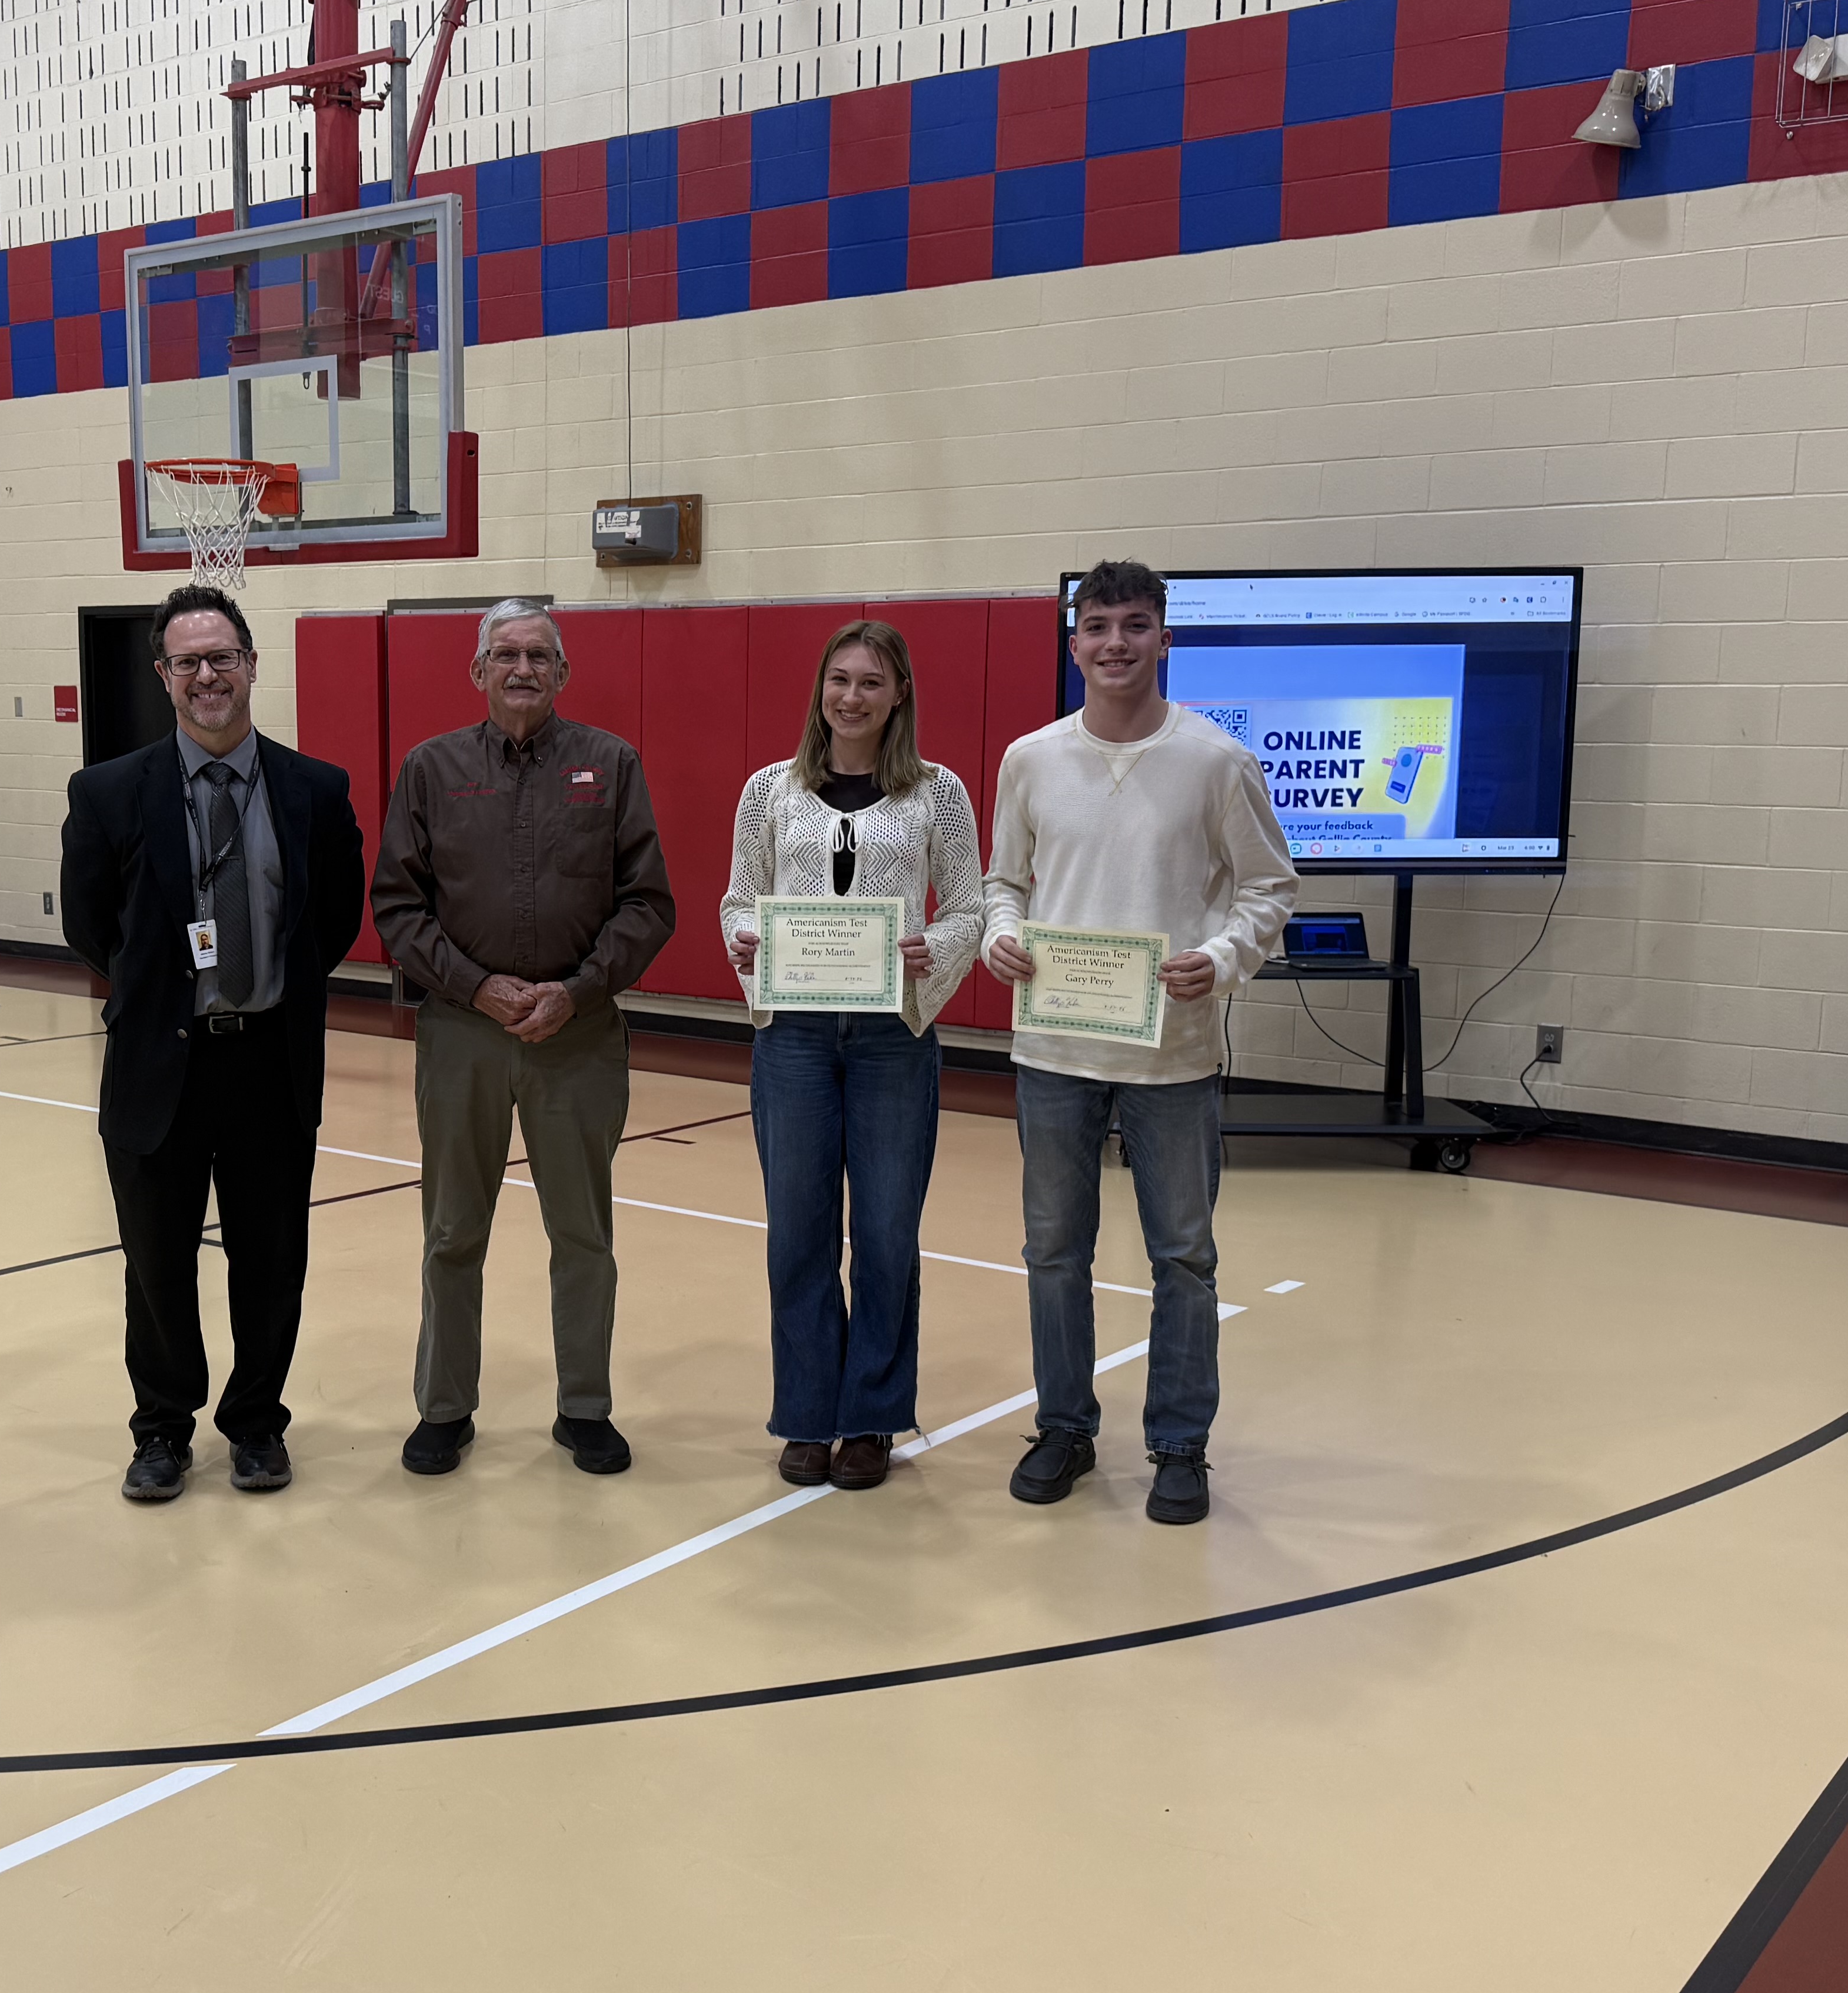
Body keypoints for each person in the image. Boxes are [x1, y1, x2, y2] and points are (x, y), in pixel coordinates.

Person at [981, 559, 1297, 1527]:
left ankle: (1178, 1444)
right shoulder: (1029, 758)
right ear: (1073, 644)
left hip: (1171, 1052)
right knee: (1051, 1251)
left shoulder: (1214, 759)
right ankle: (1065, 1426)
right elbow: (1008, 883)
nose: (1113, 642)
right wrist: (1000, 935)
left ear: (1164, 639)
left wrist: (1222, 954)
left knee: (1183, 1258)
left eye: (1133, 624)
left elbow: (1268, 887)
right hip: (1052, 1052)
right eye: (1096, 626)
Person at [59, 583, 367, 1503]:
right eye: (187, 662)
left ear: (252, 666)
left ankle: (257, 1425)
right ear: (164, 676)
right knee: (156, 1262)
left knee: (272, 1260)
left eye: (222, 657)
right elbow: (89, 926)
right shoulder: (109, 792)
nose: (207, 676)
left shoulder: (315, 789)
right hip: (160, 1064)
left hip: (270, 1062)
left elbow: (336, 920)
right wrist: (164, 995)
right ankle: (161, 1431)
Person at [371, 599, 675, 1478]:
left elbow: (648, 904)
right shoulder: (431, 770)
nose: (522, 669)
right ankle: (444, 1407)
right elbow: (397, 904)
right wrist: (477, 985)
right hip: (462, 1033)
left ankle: (584, 1405)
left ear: (562, 672)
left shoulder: (611, 766)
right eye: (504, 654)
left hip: (577, 1038)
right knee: (453, 1228)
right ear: (477, 671)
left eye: (539, 655)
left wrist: (576, 993)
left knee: (582, 1232)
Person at [718, 619, 983, 1492]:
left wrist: (930, 956)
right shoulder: (770, 791)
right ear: (820, 690)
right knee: (797, 1232)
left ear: (900, 693)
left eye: (872, 682)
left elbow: (970, 911)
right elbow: (735, 902)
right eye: (840, 680)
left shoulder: (937, 793)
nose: (853, 697)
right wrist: (753, 943)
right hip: (793, 1035)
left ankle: (869, 1416)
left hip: (890, 1040)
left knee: (884, 1235)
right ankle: (804, 1416)